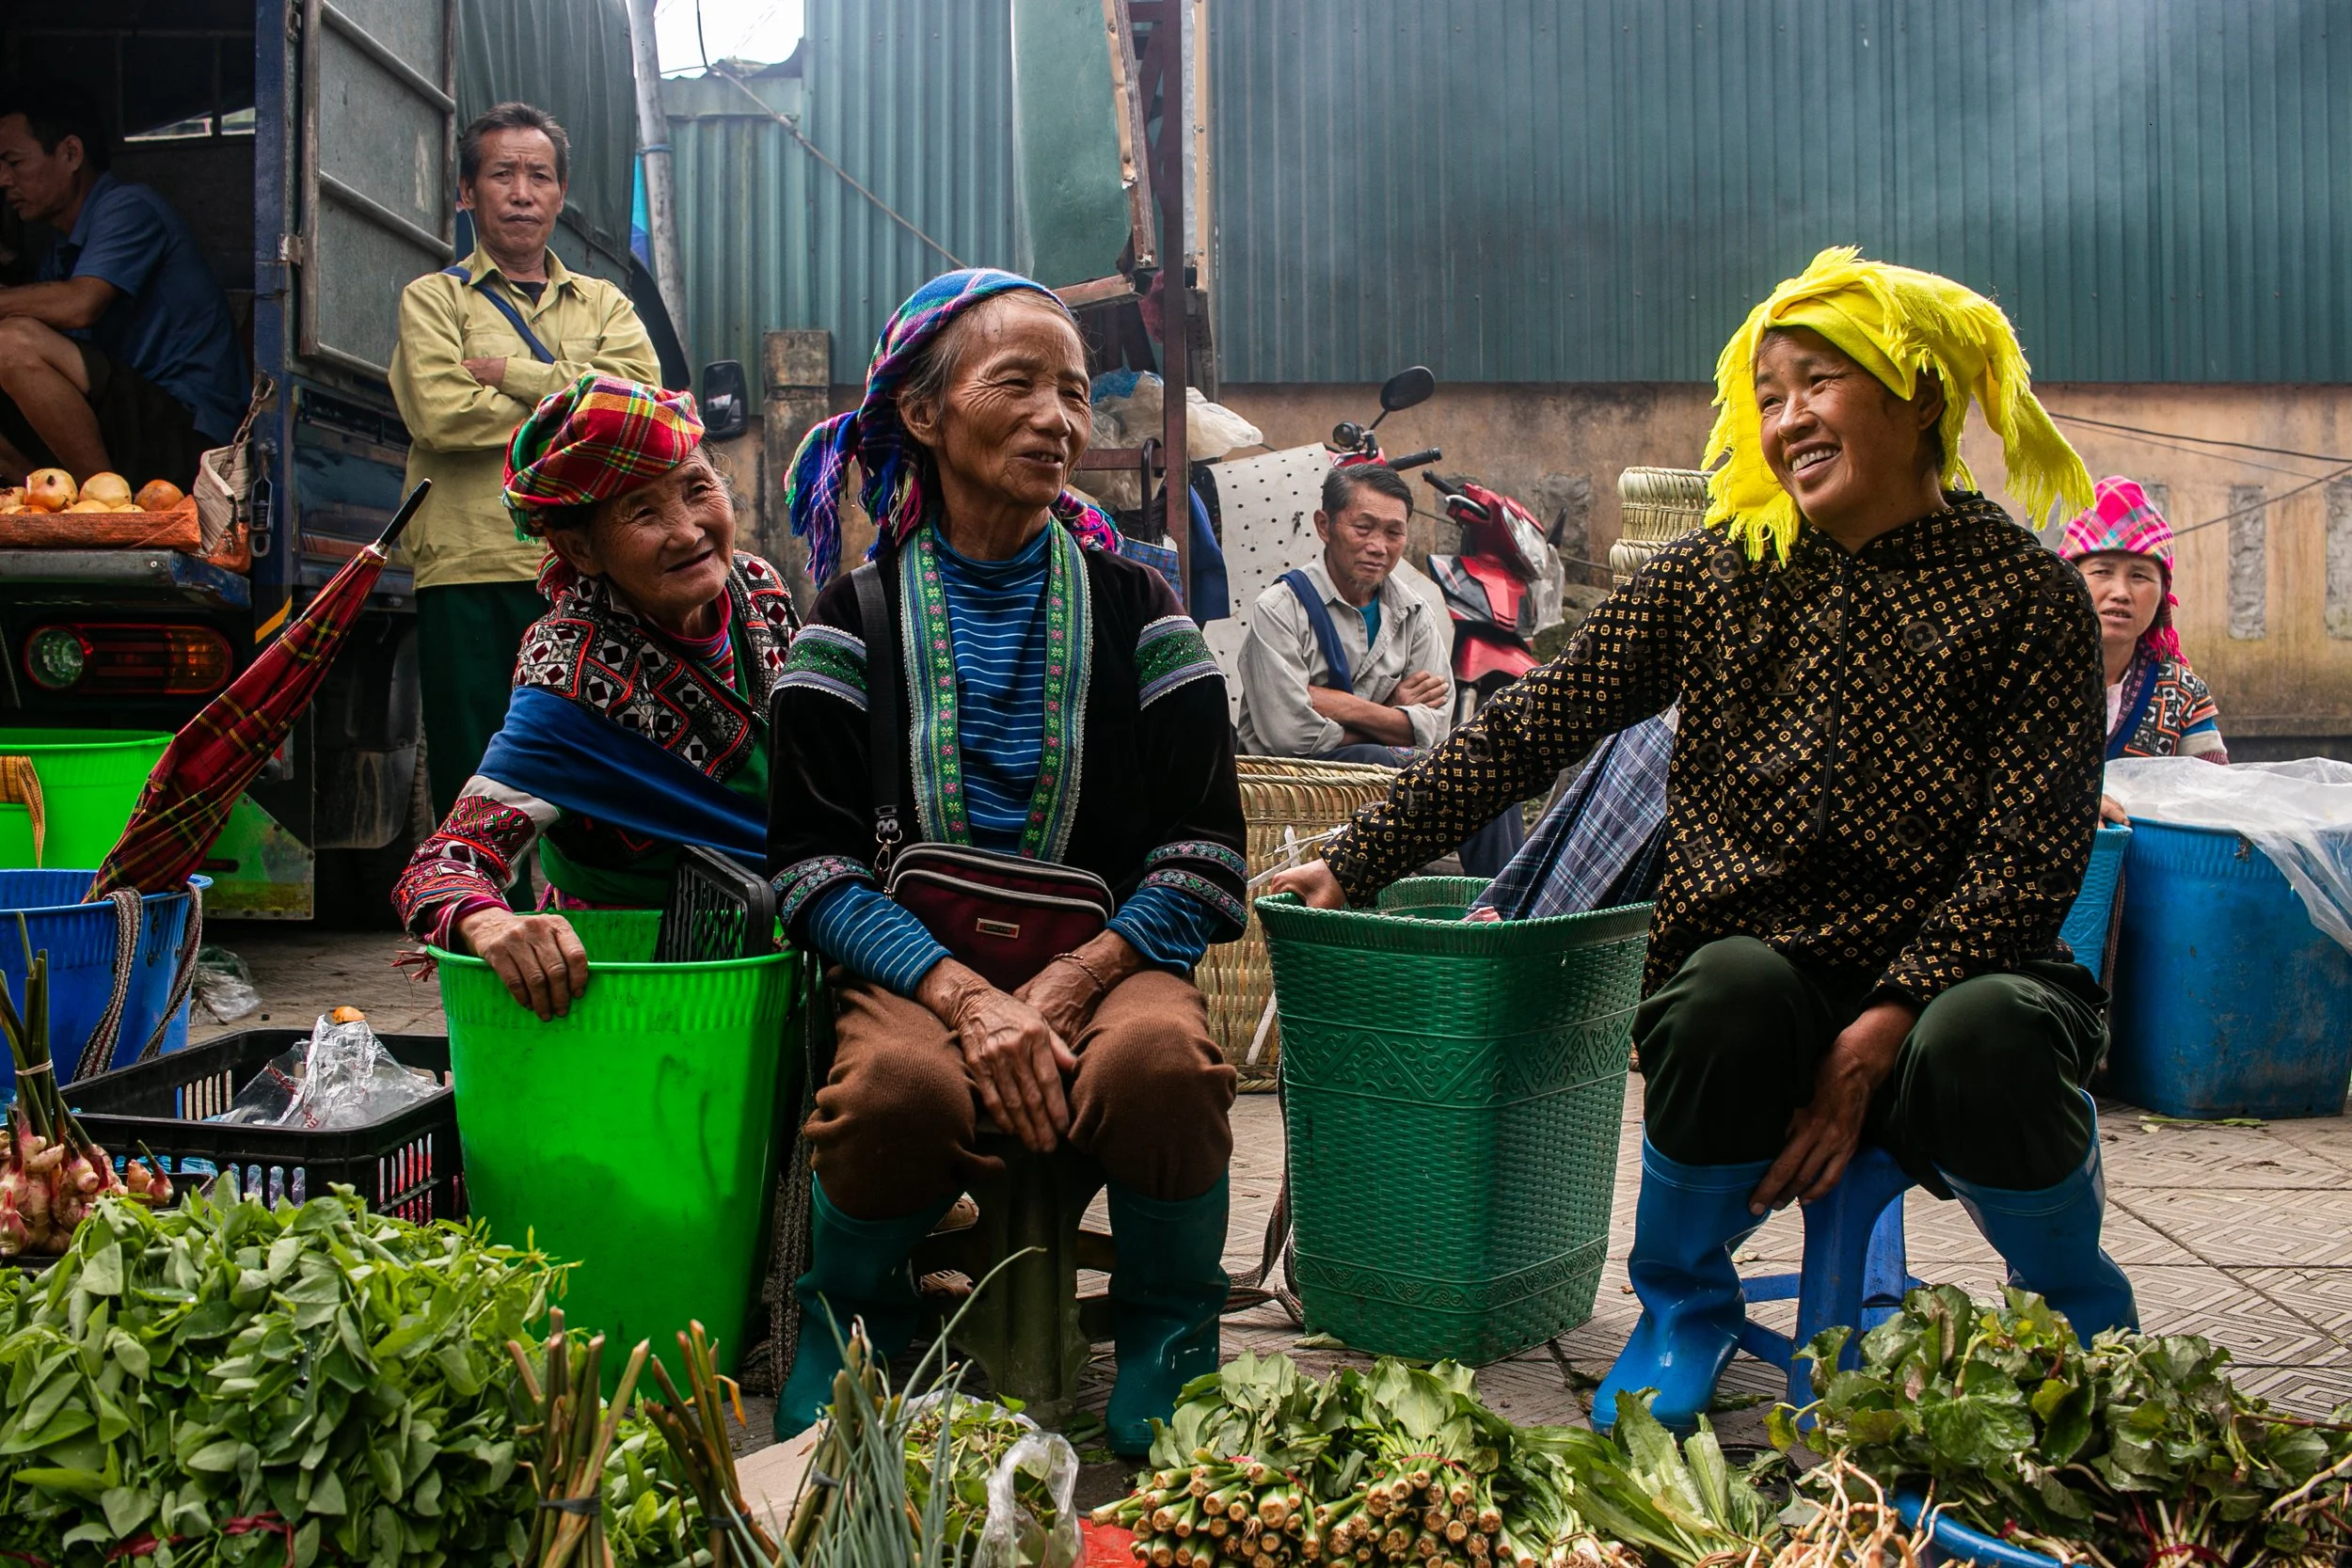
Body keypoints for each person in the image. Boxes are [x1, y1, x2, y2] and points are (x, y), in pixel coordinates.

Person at [1272, 246, 2136, 1432]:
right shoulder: (1717, 575)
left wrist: (1886, 1019)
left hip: (1956, 986)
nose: (1787, 421)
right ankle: (1682, 1305)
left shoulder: (2022, 593)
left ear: (1917, 395)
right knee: (1720, 987)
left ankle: (2076, 1311)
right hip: (1763, 988)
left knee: (1991, 1034)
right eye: (1768, 393)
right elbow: (1533, 725)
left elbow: (2028, 857)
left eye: (1819, 383)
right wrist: (1359, 855)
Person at [768, 268, 1247, 1452]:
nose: (1058, 417)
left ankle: (1170, 1337)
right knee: (894, 1088)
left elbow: (1205, 855)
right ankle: (853, 1335)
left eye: (1075, 392)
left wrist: (1078, 979)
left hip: (1106, 958)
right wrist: (964, 996)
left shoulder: (1144, 611)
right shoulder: (848, 618)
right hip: (919, 970)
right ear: (924, 415)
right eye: (1017, 382)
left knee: (1164, 1062)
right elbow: (809, 869)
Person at [391, 374, 798, 1017]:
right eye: (642, 512)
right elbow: (443, 863)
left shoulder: (755, 586)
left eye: (698, 489)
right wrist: (491, 923)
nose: (689, 530)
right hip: (648, 980)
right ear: (580, 548)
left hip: (786, 933)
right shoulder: (570, 681)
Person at [390, 102, 659, 817]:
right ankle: (474, 916)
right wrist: (580, 392)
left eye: (539, 175)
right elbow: (442, 415)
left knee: (590, 761)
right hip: (469, 563)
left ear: (560, 194)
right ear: (465, 192)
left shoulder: (606, 302)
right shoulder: (433, 300)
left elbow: (641, 402)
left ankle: (572, 918)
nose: (522, 192)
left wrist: (510, 374)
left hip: (585, 563)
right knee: (474, 765)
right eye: (502, 173)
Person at [1236, 461, 1525, 877]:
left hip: (1386, 763)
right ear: (1324, 525)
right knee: (1394, 759)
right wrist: (1392, 715)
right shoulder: (1280, 610)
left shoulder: (1413, 612)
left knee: (1491, 774)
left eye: (1393, 532)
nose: (1379, 546)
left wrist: (1339, 705)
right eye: (1363, 527)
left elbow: (1435, 727)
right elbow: (1291, 736)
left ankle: (1505, 913)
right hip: (1294, 782)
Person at [0, 79, 246, 488]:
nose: (3, 180)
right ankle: (45, 499)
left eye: (14, 162)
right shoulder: (59, 254)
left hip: (192, 439)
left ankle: (107, 506)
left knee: (11, 343)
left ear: (71, 153)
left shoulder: (129, 208)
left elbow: (81, 304)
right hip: (127, 430)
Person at [2057, 476, 2227, 824]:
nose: (2120, 591)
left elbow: (2215, 803)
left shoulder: (2182, 694)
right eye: (2102, 571)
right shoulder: (2025, 679)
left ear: (2163, 593)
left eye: (2139, 576)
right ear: (2069, 582)